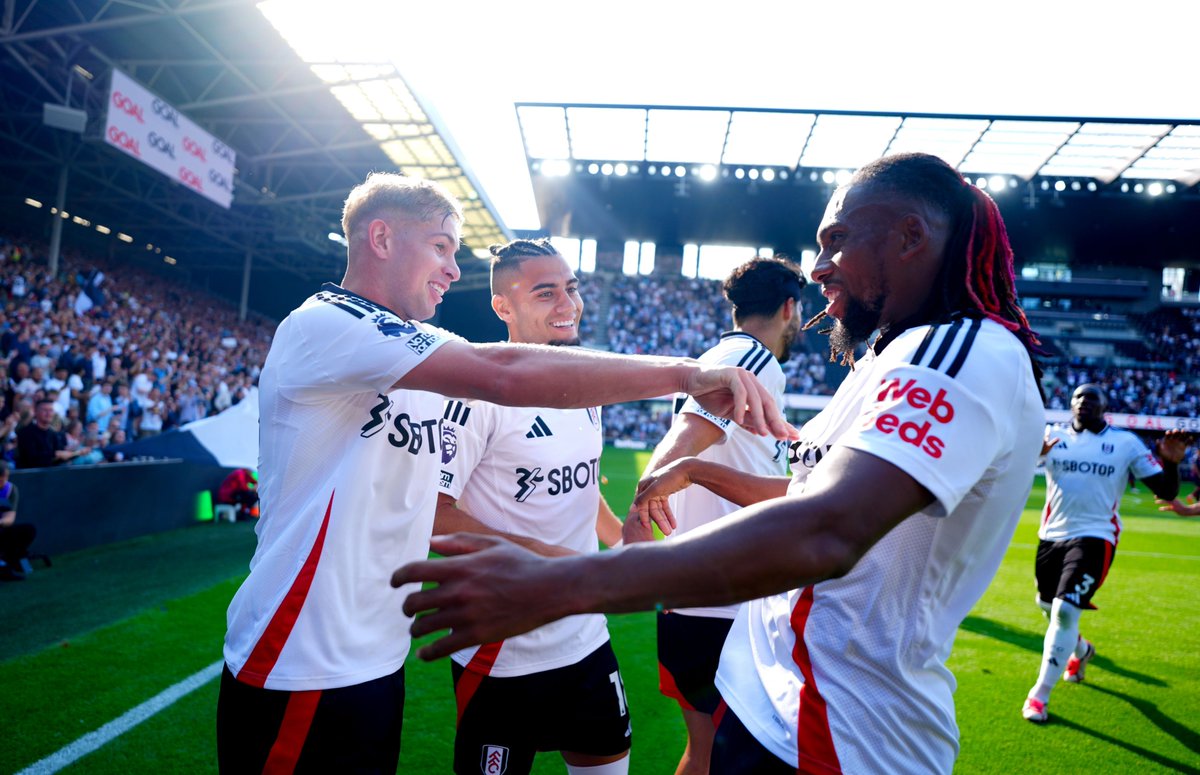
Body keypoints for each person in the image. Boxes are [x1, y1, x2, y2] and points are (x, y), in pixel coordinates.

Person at [395, 152, 1050, 774]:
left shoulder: (965, 352)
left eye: (837, 240)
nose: (818, 267)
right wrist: (690, 472)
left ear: (912, 236)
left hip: (840, 735)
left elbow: (827, 528)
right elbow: (799, 495)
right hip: (770, 699)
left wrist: (564, 579)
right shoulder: (881, 363)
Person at [216, 172, 792, 775]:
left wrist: (614, 537)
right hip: (301, 652)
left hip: (376, 651)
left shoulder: (416, 344)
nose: (452, 269)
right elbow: (504, 376)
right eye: (440, 246)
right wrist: (684, 374)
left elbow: (540, 386)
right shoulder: (326, 325)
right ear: (380, 237)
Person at [434, 238, 632, 775]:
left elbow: (581, 486)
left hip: (587, 636)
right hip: (503, 648)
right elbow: (434, 514)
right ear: (504, 307)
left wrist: (624, 543)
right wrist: (547, 555)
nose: (567, 304)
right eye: (546, 293)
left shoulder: (586, 385)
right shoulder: (473, 392)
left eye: (571, 288)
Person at [622, 255, 804, 775]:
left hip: (701, 597)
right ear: (789, 309)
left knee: (705, 754)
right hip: (722, 606)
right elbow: (684, 441)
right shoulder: (751, 358)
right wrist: (644, 501)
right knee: (727, 756)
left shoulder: (730, 353)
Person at [1022, 384, 1189, 723]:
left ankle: (1039, 695)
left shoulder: (1125, 443)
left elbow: (1167, 490)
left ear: (1104, 407)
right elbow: (1013, 474)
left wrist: (1170, 465)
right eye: (1078, 398)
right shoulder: (1050, 436)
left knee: (1065, 610)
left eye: (1092, 399)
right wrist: (1031, 455)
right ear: (1070, 406)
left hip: (1096, 536)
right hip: (1051, 537)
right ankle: (1081, 651)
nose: (1084, 403)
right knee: (1046, 605)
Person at [15, 399, 91, 468]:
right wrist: (55, 454)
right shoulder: (25, 433)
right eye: (45, 410)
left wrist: (78, 453)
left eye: (51, 410)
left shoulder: (53, 434)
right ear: (36, 412)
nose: (48, 414)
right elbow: (31, 458)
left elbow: (59, 458)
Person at [0, 460, 35, 581]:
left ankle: (13, 562)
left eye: (5, 476)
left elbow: (9, 518)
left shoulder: (10, 489)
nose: (3, 480)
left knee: (27, 530)